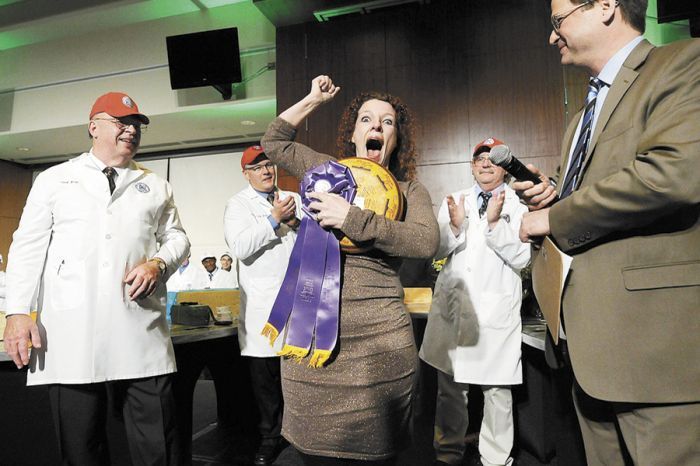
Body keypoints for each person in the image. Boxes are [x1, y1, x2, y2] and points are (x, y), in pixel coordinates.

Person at [515, 1, 700, 465]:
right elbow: (594, 200)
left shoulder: (683, 62)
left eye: (557, 22)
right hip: (586, 349)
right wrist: (552, 197)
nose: (551, 36)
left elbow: (671, 175)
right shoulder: (581, 116)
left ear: (604, 7)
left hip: (653, 349)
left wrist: (553, 219)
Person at [2, 92, 190, 465]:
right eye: (121, 122)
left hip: (140, 328)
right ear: (93, 127)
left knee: (159, 443)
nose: (131, 130)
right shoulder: (55, 180)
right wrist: (17, 313)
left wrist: (158, 264)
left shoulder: (155, 185)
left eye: (136, 125)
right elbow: (26, 248)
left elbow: (178, 238)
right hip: (72, 331)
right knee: (80, 445)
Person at [260, 75, 439, 464]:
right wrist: (312, 99)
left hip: (380, 348)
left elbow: (425, 242)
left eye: (387, 122)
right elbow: (273, 142)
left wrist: (352, 218)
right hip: (310, 342)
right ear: (354, 134)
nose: (376, 126)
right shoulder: (326, 171)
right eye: (366, 119)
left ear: (395, 138)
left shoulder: (411, 191)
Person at [420, 138, 530, 466]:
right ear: (471, 166)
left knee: (497, 392)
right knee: (451, 390)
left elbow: (524, 258)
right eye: (480, 159)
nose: (485, 164)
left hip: (495, 311)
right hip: (455, 309)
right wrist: (454, 227)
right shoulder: (455, 200)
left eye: (492, 160)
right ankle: (448, 453)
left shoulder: (518, 203)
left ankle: (495, 459)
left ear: (504, 167)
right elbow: (434, 251)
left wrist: (495, 226)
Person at [223, 144, 302, 466]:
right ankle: (270, 439)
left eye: (269, 165)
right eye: (257, 168)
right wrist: (273, 220)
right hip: (263, 308)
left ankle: (298, 438)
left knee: (297, 381)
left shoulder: (293, 199)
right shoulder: (238, 205)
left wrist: (296, 223)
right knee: (267, 384)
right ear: (246, 174)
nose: (266, 171)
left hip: (299, 303)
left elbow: (311, 242)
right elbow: (240, 247)